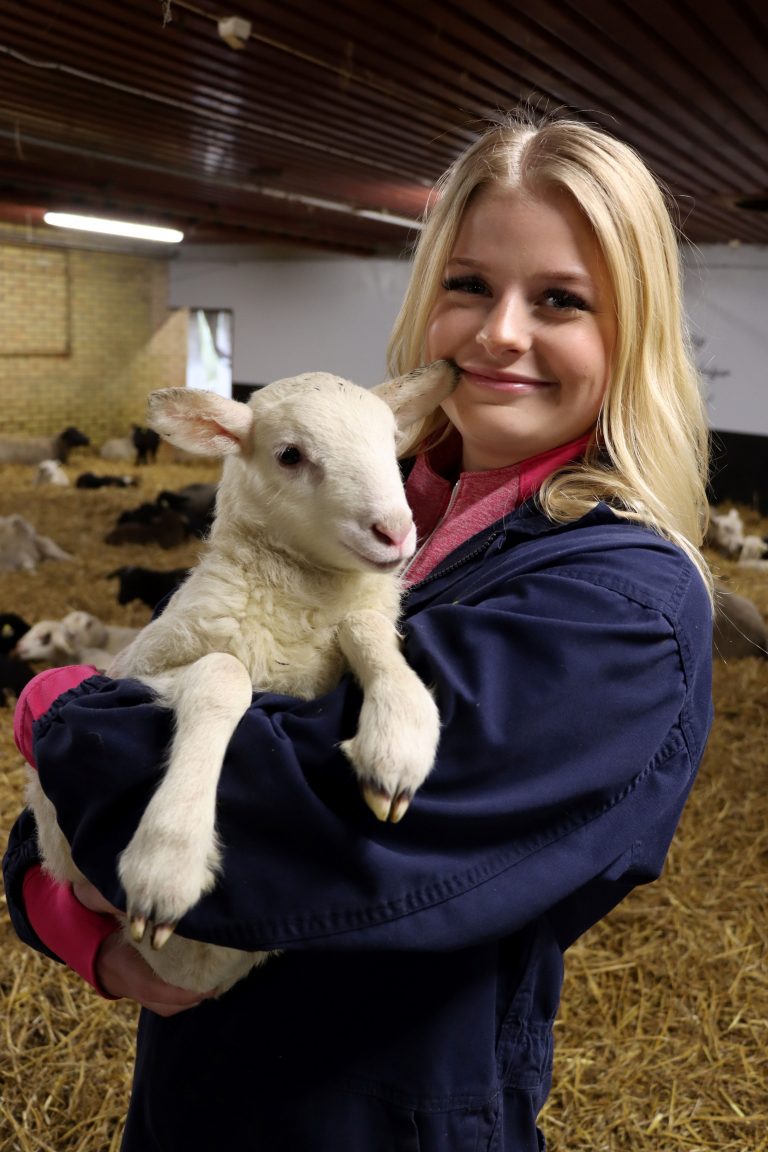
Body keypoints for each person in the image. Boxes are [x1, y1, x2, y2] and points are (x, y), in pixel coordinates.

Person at [3, 107, 714, 1151]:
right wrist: (72, 925)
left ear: (632, 331)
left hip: (376, 1115)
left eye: (561, 300)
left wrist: (64, 712)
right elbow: (94, 824)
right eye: (469, 285)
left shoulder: (615, 610)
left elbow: (289, 834)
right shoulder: (361, 528)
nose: (498, 332)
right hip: (204, 1096)